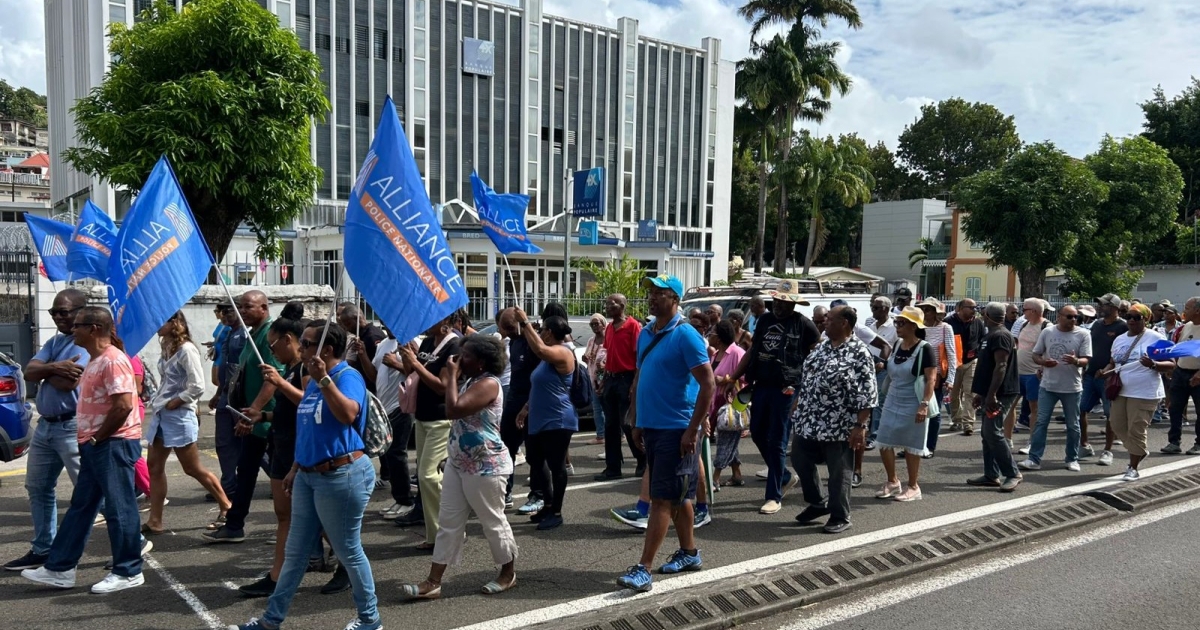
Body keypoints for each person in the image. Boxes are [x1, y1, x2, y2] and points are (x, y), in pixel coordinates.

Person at [229, 321, 379, 630]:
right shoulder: (311, 382)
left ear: (327, 349)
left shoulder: (347, 376)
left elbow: (348, 413)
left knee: (349, 550)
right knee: (295, 553)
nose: (301, 348)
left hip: (342, 474)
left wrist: (324, 378)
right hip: (310, 475)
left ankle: (370, 620)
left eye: (308, 343)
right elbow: (309, 426)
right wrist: (297, 467)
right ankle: (271, 620)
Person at [21, 307, 144, 593]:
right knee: (82, 507)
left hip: (112, 443)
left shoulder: (113, 360)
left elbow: (124, 405)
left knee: (119, 508)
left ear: (94, 329)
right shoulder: (96, 360)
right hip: (95, 444)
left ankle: (128, 571)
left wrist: (98, 438)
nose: (71, 329)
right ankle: (60, 569)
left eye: (78, 325)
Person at [615, 275, 714, 592]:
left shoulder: (686, 335)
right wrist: (637, 420)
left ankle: (643, 568)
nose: (651, 298)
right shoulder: (646, 333)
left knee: (661, 499)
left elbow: (708, 384)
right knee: (679, 496)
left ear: (675, 299)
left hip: (677, 429)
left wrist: (693, 428)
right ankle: (689, 553)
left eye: (659, 293)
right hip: (654, 426)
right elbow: (641, 377)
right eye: (650, 293)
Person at [401, 335, 517, 600]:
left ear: (481, 362)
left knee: (492, 521)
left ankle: (507, 573)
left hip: (487, 465)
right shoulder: (471, 380)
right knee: (449, 522)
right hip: (459, 462)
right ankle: (433, 581)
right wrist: (451, 453)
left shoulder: (488, 383)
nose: (458, 359)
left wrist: (451, 374)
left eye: (465, 355)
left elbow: (453, 410)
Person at [5, 289, 90, 571]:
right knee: (38, 487)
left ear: (81, 311)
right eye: (54, 312)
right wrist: (54, 367)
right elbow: (29, 371)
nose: (57, 317)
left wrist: (45, 369)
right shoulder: (55, 341)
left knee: (91, 490)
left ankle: (131, 542)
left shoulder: (83, 344)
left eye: (63, 312)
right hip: (45, 427)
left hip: (71, 425)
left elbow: (69, 384)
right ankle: (43, 548)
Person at [725, 279, 819, 515]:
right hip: (761, 384)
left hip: (786, 389)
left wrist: (804, 387)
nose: (778, 305)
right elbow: (752, 352)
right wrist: (733, 379)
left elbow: (816, 357)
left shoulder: (804, 325)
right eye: (776, 300)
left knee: (777, 440)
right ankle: (785, 476)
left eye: (784, 302)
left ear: (794, 304)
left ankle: (773, 496)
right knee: (757, 433)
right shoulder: (765, 320)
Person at [233, 316, 308, 597]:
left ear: (288, 340)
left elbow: (310, 405)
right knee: (285, 515)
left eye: (273, 345)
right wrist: (261, 415)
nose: (271, 351)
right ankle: (278, 574)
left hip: (298, 451)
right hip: (282, 444)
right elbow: (288, 412)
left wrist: (279, 383)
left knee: (303, 517)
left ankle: (345, 568)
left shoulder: (303, 371)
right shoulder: (290, 368)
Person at [791, 305, 877, 534]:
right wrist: (798, 404)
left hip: (839, 422)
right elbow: (809, 377)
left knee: (839, 470)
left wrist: (860, 426)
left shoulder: (859, 352)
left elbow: (868, 393)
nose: (824, 323)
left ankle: (841, 515)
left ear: (844, 323)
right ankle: (819, 502)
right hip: (809, 418)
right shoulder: (822, 347)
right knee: (799, 457)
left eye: (829, 319)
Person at [144, 312, 231, 534]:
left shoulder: (186, 350)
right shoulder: (167, 347)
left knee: (192, 468)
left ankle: (226, 505)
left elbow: (197, 385)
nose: (155, 325)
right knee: (154, 467)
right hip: (162, 413)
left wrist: (177, 401)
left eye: (159, 320)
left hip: (179, 414)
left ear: (175, 323)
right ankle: (155, 520)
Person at [205, 292, 284, 536]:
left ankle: (291, 529)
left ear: (264, 307)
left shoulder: (270, 336)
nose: (242, 311)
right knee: (246, 470)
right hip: (251, 417)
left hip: (270, 419)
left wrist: (256, 410)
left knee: (281, 476)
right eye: (240, 307)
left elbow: (272, 379)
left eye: (248, 307)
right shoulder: (250, 334)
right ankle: (234, 525)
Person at [398, 316, 461, 549]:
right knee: (426, 480)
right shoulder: (427, 343)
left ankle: (449, 532)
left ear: (445, 319)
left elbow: (443, 387)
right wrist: (407, 358)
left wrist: (415, 363)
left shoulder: (454, 345)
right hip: (422, 417)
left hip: (440, 419)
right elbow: (412, 375)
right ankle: (435, 536)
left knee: (428, 477)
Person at [515, 311, 579, 530]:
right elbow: (539, 386)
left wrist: (524, 322)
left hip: (558, 419)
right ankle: (548, 503)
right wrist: (525, 408)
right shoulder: (548, 357)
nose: (540, 333)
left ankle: (557, 512)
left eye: (542, 330)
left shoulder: (562, 352)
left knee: (556, 465)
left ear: (550, 333)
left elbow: (540, 349)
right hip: (539, 418)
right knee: (534, 459)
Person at [873, 306, 936, 503]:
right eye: (897, 323)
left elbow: (931, 379)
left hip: (914, 401)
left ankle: (913, 487)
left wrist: (924, 404)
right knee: (883, 441)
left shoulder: (925, 348)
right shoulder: (898, 344)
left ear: (914, 326)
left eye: (902, 323)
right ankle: (892, 482)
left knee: (911, 445)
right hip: (892, 399)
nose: (898, 326)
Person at [1101, 304, 1169, 481]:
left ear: (1146, 319)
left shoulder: (1155, 338)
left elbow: (1171, 364)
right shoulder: (1119, 339)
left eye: (1136, 317)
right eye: (1128, 316)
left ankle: (1133, 467)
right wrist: (1105, 370)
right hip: (1120, 390)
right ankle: (1138, 451)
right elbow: (1113, 362)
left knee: (1136, 430)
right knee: (1116, 425)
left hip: (1144, 393)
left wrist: (1153, 365)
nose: (1131, 320)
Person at [1020, 305, 1092, 472]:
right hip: (1048, 385)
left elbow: (1086, 359)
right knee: (1041, 422)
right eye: (1069, 316)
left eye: (1075, 317)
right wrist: (1044, 362)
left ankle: (1072, 458)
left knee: (1073, 425)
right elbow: (1036, 354)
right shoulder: (1048, 332)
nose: (1073, 320)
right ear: (1059, 316)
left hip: (1072, 387)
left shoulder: (1083, 334)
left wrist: (1076, 361)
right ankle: (1034, 459)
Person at [362, 325, 416, 521]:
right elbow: (374, 375)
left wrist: (396, 364)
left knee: (397, 453)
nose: (385, 326)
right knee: (390, 455)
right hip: (386, 406)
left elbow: (415, 373)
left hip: (402, 406)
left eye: (388, 322)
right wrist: (362, 356)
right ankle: (399, 498)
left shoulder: (411, 341)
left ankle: (406, 500)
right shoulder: (384, 343)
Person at [967, 303, 1023, 492]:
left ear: (987, 315)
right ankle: (991, 475)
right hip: (990, 392)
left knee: (993, 432)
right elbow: (988, 366)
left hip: (1002, 392)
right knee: (987, 433)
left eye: (983, 313)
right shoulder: (991, 334)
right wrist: (981, 393)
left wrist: (991, 395)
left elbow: (1001, 366)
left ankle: (1012, 473)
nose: (981, 316)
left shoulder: (1000, 335)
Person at [597, 293, 646, 481]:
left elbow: (638, 357)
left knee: (627, 424)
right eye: (607, 303)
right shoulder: (609, 328)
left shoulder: (633, 326)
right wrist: (603, 381)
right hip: (611, 378)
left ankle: (642, 459)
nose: (608, 306)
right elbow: (609, 356)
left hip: (627, 379)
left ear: (623, 305)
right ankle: (613, 467)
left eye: (613, 303)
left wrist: (635, 382)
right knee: (610, 426)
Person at [1080, 294, 1127, 462]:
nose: (1100, 308)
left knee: (1110, 414)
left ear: (1114, 308)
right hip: (1091, 375)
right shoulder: (1097, 325)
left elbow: (1123, 354)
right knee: (1081, 409)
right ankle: (1084, 445)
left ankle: (1107, 450)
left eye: (1104, 305)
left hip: (1109, 377)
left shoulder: (1123, 327)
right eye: (1099, 305)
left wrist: (1109, 370)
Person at [209, 302, 248, 500]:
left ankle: (280, 475)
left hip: (239, 397)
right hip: (226, 395)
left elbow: (240, 370)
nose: (225, 315)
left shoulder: (245, 335)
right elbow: (226, 369)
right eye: (223, 311)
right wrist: (218, 393)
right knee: (224, 443)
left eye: (229, 310)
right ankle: (228, 485)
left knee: (250, 443)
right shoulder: (229, 333)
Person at [914, 298, 957, 457]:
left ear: (936, 313)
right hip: (917, 374)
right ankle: (915, 445)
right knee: (915, 409)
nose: (925, 313)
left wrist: (950, 379)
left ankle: (929, 446)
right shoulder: (917, 327)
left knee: (933, 411)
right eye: (923, 309)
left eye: (928, 310)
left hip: (936, 376)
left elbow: (952, 354)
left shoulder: (945, 328)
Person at [710, 321, 746, 488]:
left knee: (725, 440)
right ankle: (736, 474)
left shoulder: (737, 352)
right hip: (716, 403)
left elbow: (745, 377)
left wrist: (725, 380)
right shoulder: (716, 353)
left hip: (732, 405)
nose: (710, 335)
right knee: (730, 439)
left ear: (720, 336)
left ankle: (715, 477)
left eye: (713, 332)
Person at [1163, 296, 1200, 455]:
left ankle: (1199, 444)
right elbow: (1180, 348)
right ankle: (1174, 442)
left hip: (1197, 375)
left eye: (1187, 308)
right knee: (1175, 408)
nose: (1184, 311)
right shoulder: (1186, 327)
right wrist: (1174, 365)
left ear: (1197, 310)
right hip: (1180, 372)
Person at [946, 298, 986, 436]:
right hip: (954, 363)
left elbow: (982, 339)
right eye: (971, 307)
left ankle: (968, 423)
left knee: (970, 392)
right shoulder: (949, 323)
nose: (974, 310)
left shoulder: (978, 322)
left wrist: (979, 354)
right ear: (960, 308)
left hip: (972, 361)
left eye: (975, 307)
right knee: (954, 393)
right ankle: (956, 419)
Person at [339, 304, 385, 390]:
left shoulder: (372, 337)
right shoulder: (361, 336)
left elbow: (377, 367)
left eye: (348, 324)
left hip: (373, 387)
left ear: (357, 318)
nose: (346, 328)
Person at [584, 313, 608, 445]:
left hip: (606, 378)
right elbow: (588, 356)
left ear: (603, 324)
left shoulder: (609, 340)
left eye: (596, 323)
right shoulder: (591, 341)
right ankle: (600, 435)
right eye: (592, 324)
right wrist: (585, 358)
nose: (594, 326)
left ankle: (617, 434)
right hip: (594, 378)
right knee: (597, 409)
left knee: (608, 409)